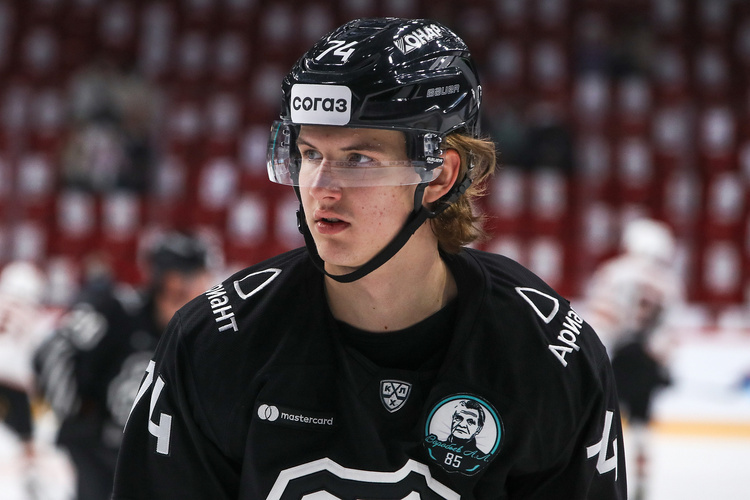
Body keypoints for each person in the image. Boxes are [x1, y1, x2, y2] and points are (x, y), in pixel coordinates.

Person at [113, 18, 627, 499]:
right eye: (310, 154)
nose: (320, 188)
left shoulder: (548, 355)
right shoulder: (214, 341)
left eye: (358, 158)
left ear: (440, 175)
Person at [33, 231, 215, 500]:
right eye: (199, 275)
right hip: (94, 455)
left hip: (149, 461)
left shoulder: (200, 333)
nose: (207, 284)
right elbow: (54, 349)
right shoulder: (117, 311)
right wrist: (74, 411)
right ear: (175, 281)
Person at [582, 217, 682, 500]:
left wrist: (594, 361)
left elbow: (600, 321)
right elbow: (669, 332)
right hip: (647, 363)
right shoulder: (669, 281)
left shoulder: (614, 272)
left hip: (615, 360)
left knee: (600, 425)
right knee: (641, 425)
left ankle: (594, 479)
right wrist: (663, 364)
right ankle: (641, 478)